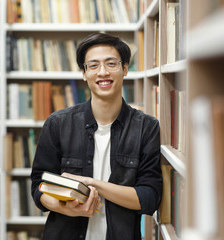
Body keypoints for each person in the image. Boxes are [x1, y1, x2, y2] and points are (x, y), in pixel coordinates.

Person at [30, 33, 162, 240]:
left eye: (111, 64)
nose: (103, 72)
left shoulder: (147, 127)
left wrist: (91, 183)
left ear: (125, 68)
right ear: (84, 73)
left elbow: (149, 198)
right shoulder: (58, 123)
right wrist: (66, 208)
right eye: (93, 66)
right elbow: (39, 186)